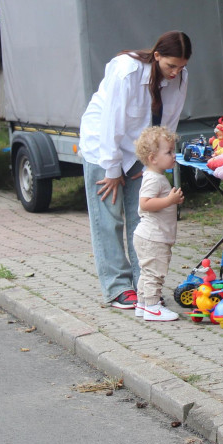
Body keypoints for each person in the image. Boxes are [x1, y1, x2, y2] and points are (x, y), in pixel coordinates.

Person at [78, 30, 192, 310]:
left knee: (144, 220)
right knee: (109, 220)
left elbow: (169, 124)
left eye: (182, 66)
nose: (176, 72)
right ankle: (117, 287)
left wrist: (156, 161)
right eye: (171, 66)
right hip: (102, 146)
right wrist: (112, 169)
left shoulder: (180, 80)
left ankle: (146, 287)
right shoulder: (126, 71)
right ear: (156, 56)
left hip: (143, 151)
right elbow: (111, 122)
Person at [132, 125, 185, 321]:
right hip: (153, 236)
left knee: (146, 272)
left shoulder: (157, 177)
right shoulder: (154, 179)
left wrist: (172, 200)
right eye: (169, 152)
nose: (174, 155)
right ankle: (153, 307)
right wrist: (169, 201)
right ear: (153, 158)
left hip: (150, 236)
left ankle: (142, 303)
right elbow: (145, 204)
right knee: (155, 273)